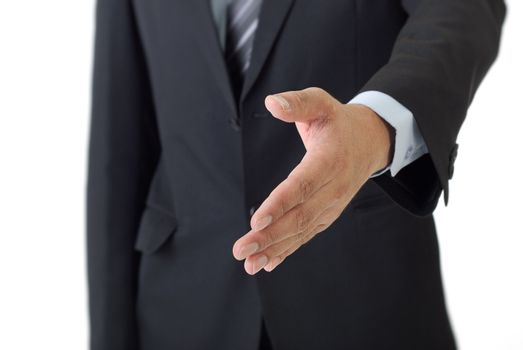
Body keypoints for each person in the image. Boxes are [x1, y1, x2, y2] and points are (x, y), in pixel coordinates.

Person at [87, 0, 505, 349]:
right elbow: (118, 149)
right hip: (182, 309)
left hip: (365, 300)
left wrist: (378, 125)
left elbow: (460, 9)